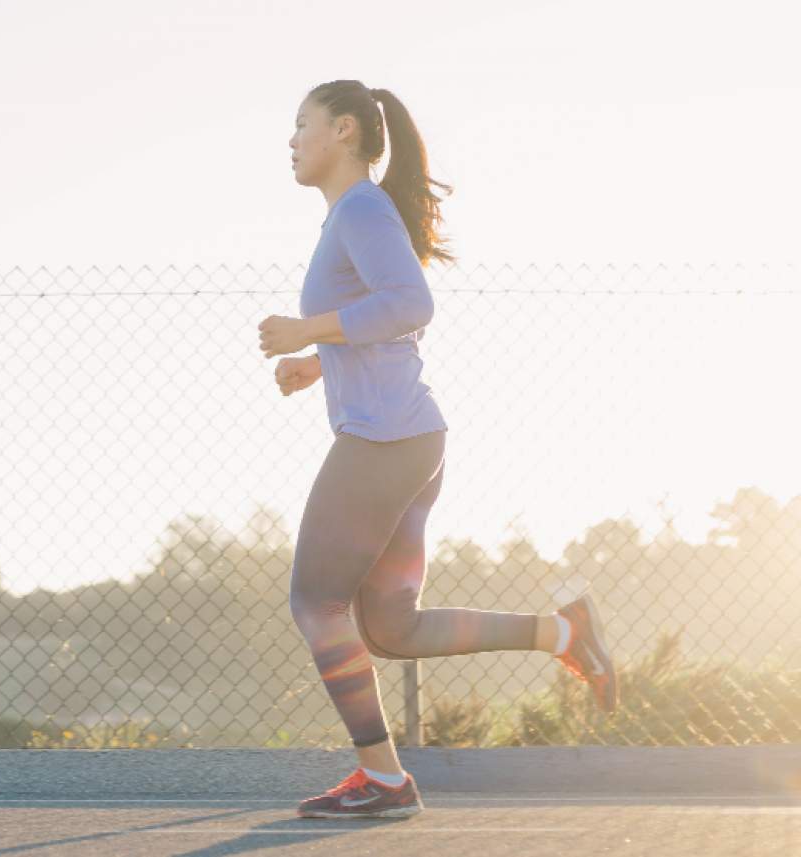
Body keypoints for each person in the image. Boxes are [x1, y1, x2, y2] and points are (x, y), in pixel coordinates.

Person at [258, 80, 619, 820]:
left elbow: (412, 303)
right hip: (410, 438)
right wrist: (318, 360)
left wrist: (307, 330)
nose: (291, 140)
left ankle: (385, 780)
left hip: (385, 441)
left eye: (303, 125)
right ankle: (565, 631)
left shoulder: (359, 207)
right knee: (390, 626)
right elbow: (391, 322)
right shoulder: (352, 215)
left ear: (346, 131)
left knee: (316, 601)